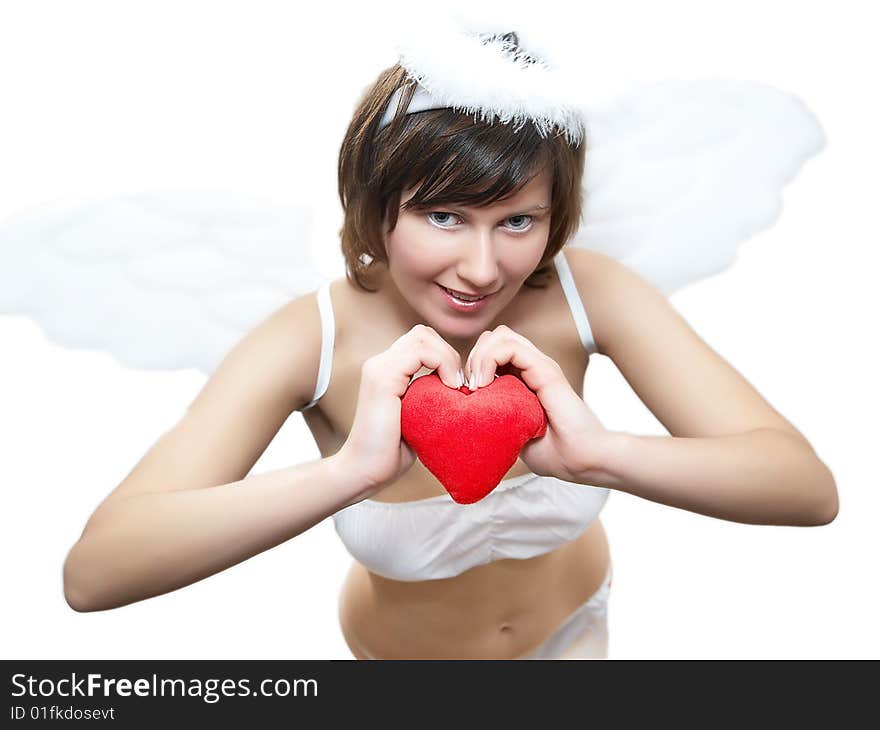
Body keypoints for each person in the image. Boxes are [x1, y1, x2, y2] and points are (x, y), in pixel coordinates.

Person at [62, 33, 839, 660]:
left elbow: (805, 489)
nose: (482, 268)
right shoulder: (311, 341)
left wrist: (600, 455)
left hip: (577, 637)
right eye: (443, 217)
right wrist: (350, 474)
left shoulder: (584, 291)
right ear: (377, 208)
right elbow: (96, 574)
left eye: (517, 221)